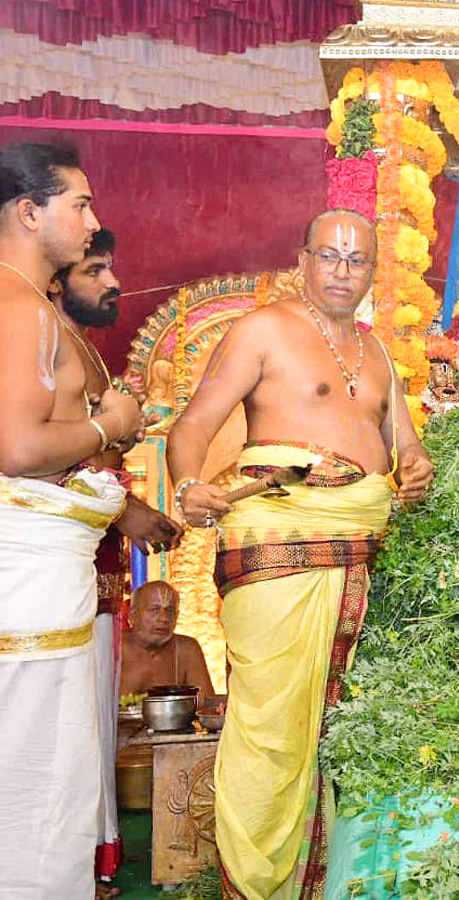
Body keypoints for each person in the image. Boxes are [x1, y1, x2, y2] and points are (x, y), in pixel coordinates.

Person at [166, 208, 434, 899]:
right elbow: (193, 425)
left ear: (374, 271)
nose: (344, 272)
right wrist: (190, 484)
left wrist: (415, 469)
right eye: (332, 256)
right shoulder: (265, 330)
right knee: (271, 731)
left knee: (335, 730)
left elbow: (407, 446)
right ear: (304, 259)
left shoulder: (378, 353)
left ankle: (319, 882)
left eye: (358, 261)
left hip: (361, 554)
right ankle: (256, 888)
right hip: (280, 543)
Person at [0, 142, 145, 898]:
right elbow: (19, 448)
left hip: (41, 583)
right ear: (31, 211)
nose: (94, 222)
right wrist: (111, 423)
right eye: (80, 205)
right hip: (26, 591)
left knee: (46, 783)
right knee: (36, 786)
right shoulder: (18, 304)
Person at [47, 227, 184, 890]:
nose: (113, 284)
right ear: (55, 276)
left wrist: (123, 512)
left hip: (90, 569)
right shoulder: (36, 341)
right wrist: (122, 506)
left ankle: (88, 865)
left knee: (86, 728)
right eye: (94, 270)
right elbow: (33, 459)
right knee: (59, 730)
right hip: (46, 568)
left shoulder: (73, 344)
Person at [120, 580, 214, 703]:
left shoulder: (186, 649)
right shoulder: (115, 648)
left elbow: (206, 703)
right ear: (132, 615)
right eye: (154, 610)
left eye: (170, 610)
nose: (164, 618)